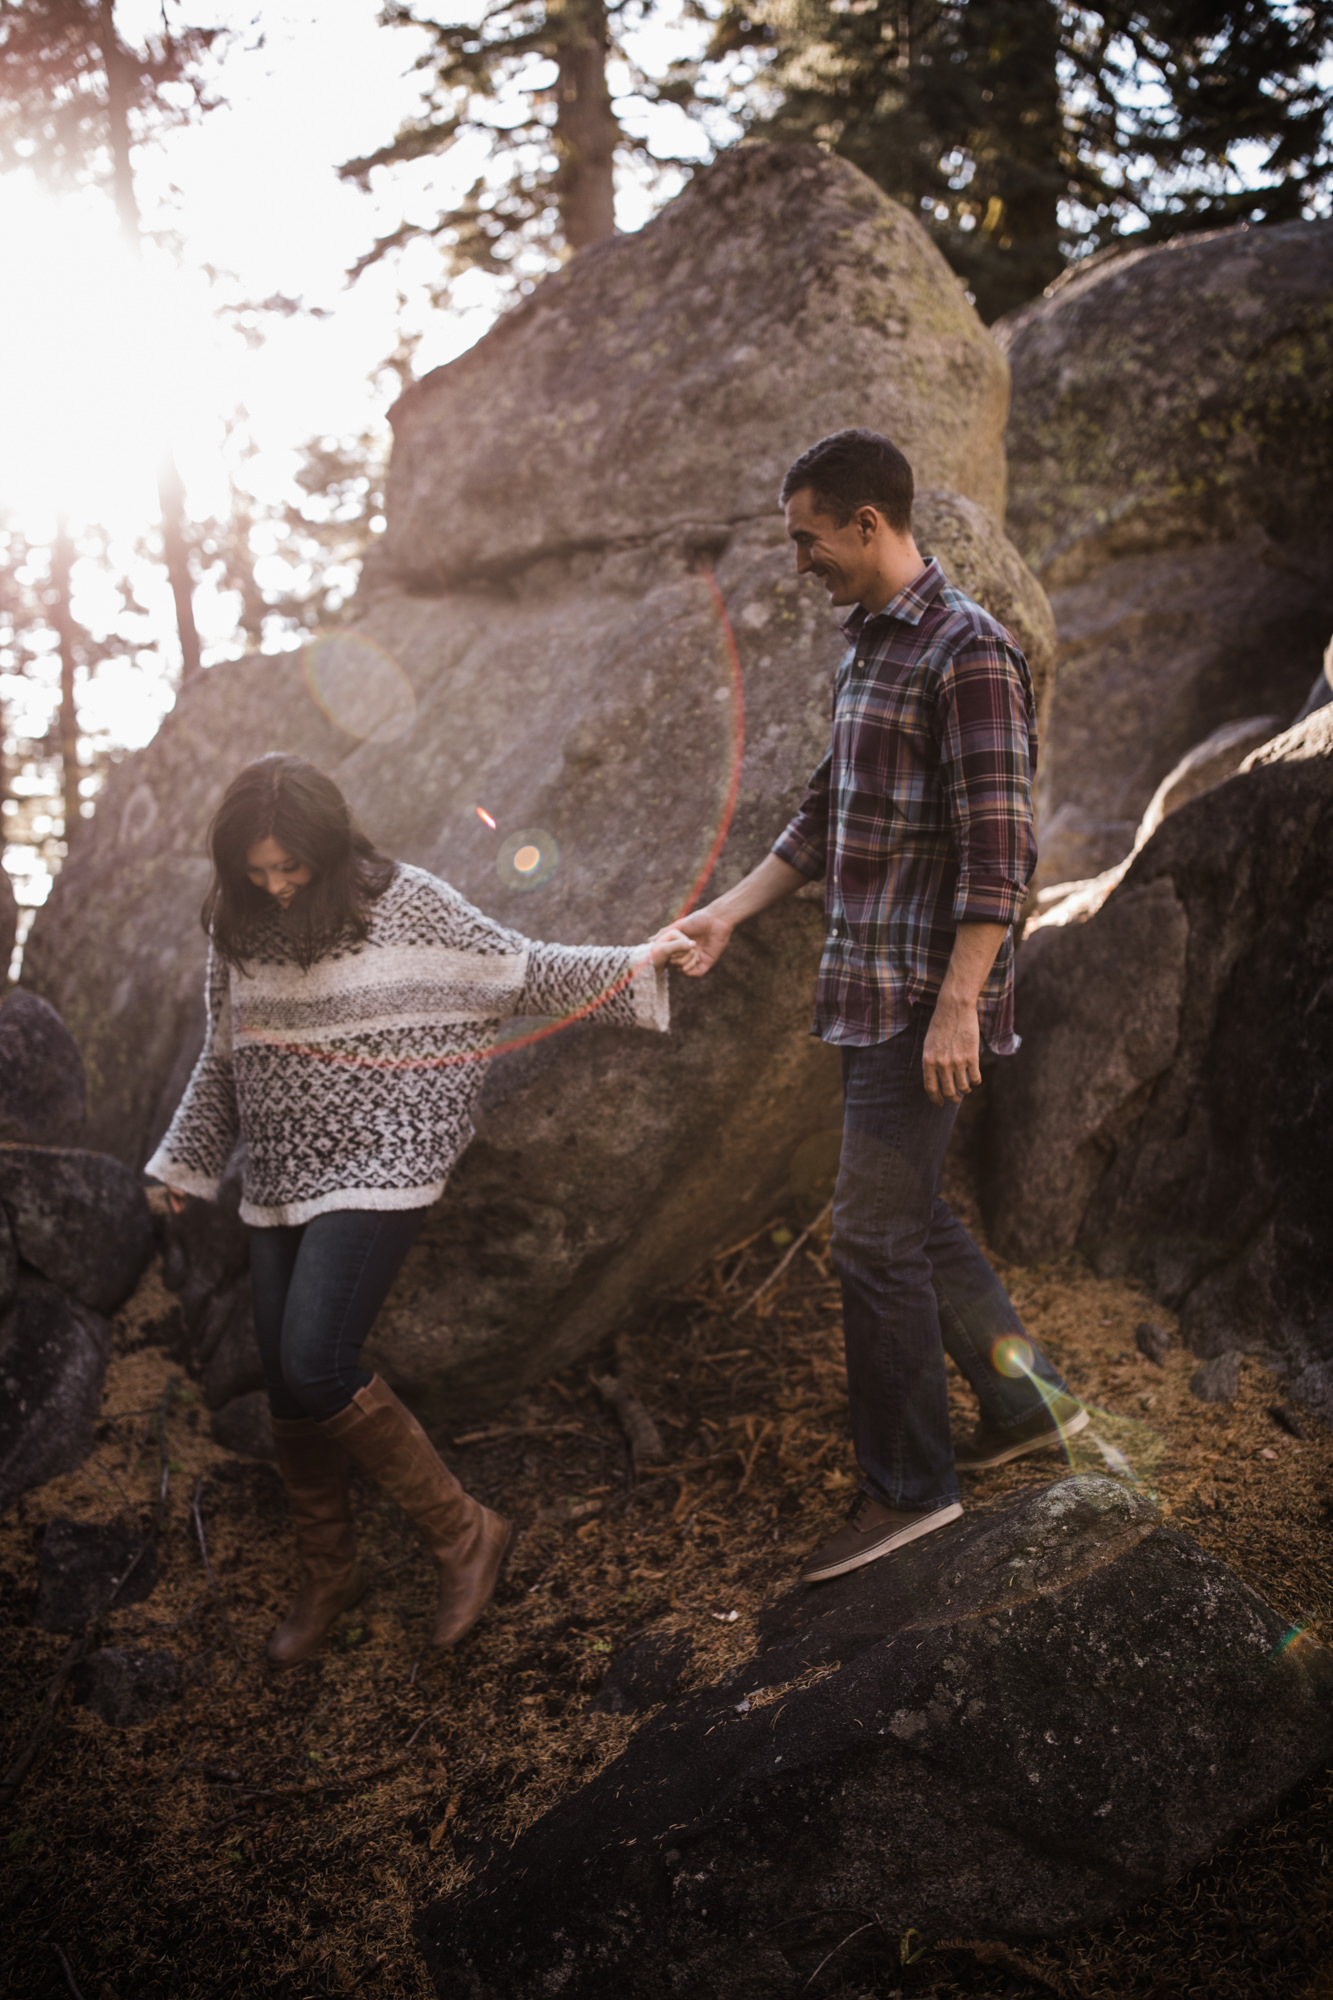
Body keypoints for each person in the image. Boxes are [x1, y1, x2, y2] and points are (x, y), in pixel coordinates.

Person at [149, 753, 691, 1666]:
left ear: (327, 845)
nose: (277, 885)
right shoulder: (237, 927)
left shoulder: (406, 901)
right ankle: (332, 1572)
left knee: (317, 1360)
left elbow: (517, 972)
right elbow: (223, 1054)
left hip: (385, 1156)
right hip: (281, 1172)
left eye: (291, 866)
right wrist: (186, 1160)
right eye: (258, 870)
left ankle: (464, 1531)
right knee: (286, 1384)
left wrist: (640, 963)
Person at [673, 428, 1087, 1585]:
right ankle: (1027, 1406)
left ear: (868, 524)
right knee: (910, 1217)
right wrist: (729, 913)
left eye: (808, 537)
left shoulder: (969, 652)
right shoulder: (869, 646)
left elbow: (1001, 854)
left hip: (920, 999)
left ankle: (911, 1493)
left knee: (869, 1237)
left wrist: (959, 1004)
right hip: (867, 992)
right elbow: (824, 812)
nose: (799, 558)